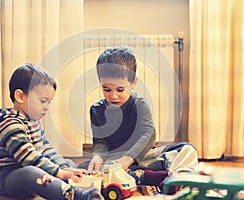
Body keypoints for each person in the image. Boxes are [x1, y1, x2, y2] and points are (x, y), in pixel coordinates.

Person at [78, 47, 198, 191]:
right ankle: (146, 177)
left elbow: (149, 134)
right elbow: (101, 142)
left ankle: (175, 180)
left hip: (143, 157)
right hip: (114, 161)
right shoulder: (96, 110)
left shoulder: (140, 105)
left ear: (133, 82)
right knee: (83, 168)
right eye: (107, 89)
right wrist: (97, 156)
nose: (113, 96)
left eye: (120, 89)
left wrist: (127, 159)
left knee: (187, 150)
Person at [0, 64, 104, 200]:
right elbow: (28, 157)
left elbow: (47, 149)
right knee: (31, 172)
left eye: (49, 102)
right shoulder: (9, 124)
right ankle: (77, 195)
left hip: (33, 169)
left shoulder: (33, 121)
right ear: (20, 96)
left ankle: (63, 184)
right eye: (43, 101)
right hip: (9, 178)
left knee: (68, 163)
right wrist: (59, 173)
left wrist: (63, 168)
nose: (47, 107)